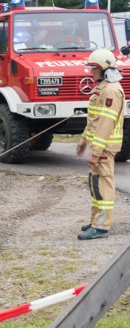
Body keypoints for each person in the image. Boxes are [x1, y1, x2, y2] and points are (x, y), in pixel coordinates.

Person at [76, 48, 124, 240]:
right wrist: (83, 140)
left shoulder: (111, 90)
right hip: (99, 147)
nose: (91, 72)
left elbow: (105, 124)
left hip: (104, 148)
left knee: (103, 185)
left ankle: (102, 227)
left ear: (105, 68)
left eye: (94, 68)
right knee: (95, 185)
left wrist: (95, 151)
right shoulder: (103, 87)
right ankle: (96, 221)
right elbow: (95, 120)